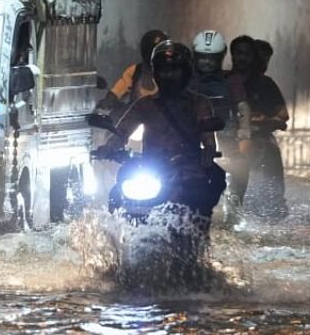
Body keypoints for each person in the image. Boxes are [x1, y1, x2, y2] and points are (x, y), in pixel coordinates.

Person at [98, 40, 226, 216]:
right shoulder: (144, 105)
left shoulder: (198, 103)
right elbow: (122, 131)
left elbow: (208, 137)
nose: (169, 75)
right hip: (152, 168)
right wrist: (107, 148)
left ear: (186, 72)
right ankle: (118, 235)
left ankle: (199, 230)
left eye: (174, 70)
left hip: (188, 171)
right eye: (164, 70)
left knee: (213, 183)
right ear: (156, 73)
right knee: (117, 191)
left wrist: (208, 152)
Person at [223, 35, 289, 217]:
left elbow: (283, 114)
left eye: (246, 54)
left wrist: (265, 120)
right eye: (238, 53)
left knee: (270, 149)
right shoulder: (222, 80)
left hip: (257, 138)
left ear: (253, 58)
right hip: (224, 137)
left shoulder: (264, 83)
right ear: (231, 55)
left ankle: (275, 201)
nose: (242, 58)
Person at [188, 29, 250, 162]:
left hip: (226, 134)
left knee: (241, 168)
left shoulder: (231, 80)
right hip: (192, 135)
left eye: (212, 58)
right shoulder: (185, 79)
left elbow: (242, 105)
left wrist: (244, 128)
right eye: (202, 57)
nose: (207, 62)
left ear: (220, 57)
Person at [95, 29, 169, 114]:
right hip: (137, 119)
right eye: (160, 51)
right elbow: (118, 90)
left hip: (165, 120)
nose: (165, 55)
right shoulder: (135, 71)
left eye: (167, 51)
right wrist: (109, 100)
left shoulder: (173, 73)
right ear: (148, 51)